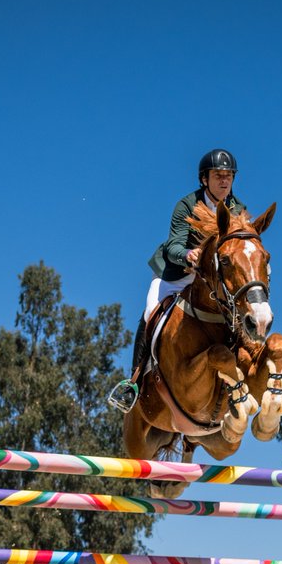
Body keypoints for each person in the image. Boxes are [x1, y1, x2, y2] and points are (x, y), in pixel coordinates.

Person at [107, 148, 247, 413]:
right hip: (178, 274)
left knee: (240, 312)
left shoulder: (237, 209)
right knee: (150, 312)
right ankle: (134, 381)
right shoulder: (186, 205)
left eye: (228, 176)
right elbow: (173, 246)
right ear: (204, 179)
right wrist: (188, 255)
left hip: (211, 280)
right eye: (218, 175)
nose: (224, 181)